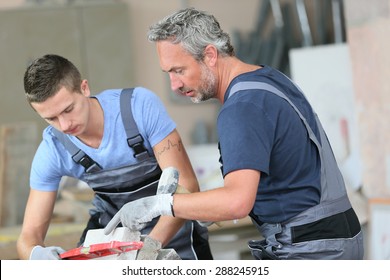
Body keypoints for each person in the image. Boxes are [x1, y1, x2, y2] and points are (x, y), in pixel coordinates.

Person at [104, 8, 364, 260]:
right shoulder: (268, 78)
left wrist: (160, 204)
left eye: (179, 70)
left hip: (312, 249)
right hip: (334, 237)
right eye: (168, 73)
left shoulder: (241, 107)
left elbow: (237, 202)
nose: (175, 85)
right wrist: (205, 206)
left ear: (210, 55)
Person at [16, 54, 213, 260]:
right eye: (51, 118)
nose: (65, 125)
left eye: (68, 109)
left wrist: (148, 248)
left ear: (84, 88)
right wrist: (35, 255)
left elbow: (187, 186)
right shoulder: (53, 149)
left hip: (176, 230)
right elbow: (28, 236)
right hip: (112, 242)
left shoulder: (138, 107)